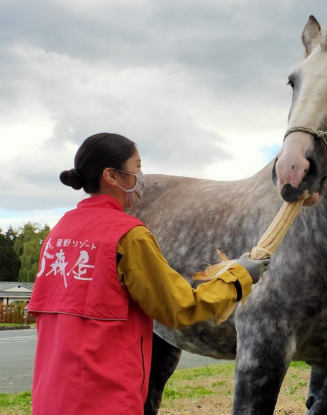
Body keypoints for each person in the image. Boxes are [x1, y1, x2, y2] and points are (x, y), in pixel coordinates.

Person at [27, 133, 270, 415]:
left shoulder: (59, 232)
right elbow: (179, 307)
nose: (141, 176)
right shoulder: (128, 236)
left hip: (51, 397)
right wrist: (239, 277)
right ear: (112, 176)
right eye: (136, 167)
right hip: (106, 398)